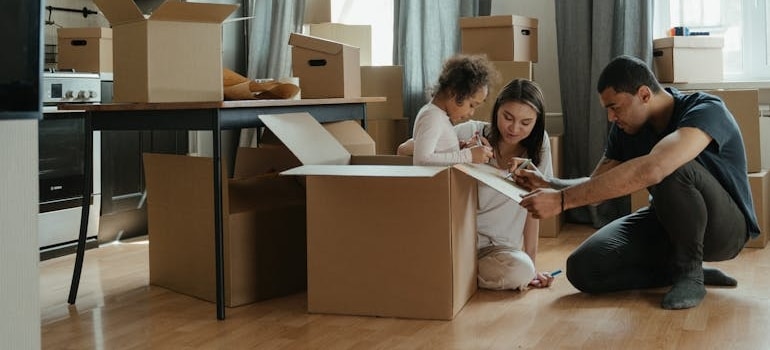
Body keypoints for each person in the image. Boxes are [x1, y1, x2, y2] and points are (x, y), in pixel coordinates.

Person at [513, 55, 760, 309]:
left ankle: (690, 273)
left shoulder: (706, 109)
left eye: (615, 107)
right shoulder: (625, 129)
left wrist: (562, 201)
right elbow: (596, 187)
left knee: (670, 166)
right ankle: (677, 271)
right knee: (582, 269)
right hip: (667, 222)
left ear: (644, 94)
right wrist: (549, 184)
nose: (610, 117)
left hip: (725, 230)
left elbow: (656, 167)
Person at [399, 79, 557, 290]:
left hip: (499, 250)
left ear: (537, 122)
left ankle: (453, 274)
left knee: (522, 271)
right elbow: (404, 149)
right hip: (458, 241)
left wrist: (532, 265)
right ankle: (454, 272)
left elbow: (534, 208)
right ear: (496, 110)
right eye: (507, 117)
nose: (514, 128)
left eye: (525, 123)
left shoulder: (540, 147)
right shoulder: (471, 132)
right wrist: (462, 152)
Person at [410, 53, 496, 166]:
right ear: (453, 92)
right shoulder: (432, 117)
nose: (471, 113)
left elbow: (438, 154)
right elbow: (422, 160)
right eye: (471, 105)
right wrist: (468, 155)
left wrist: (457, 150)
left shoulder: (439, 116)